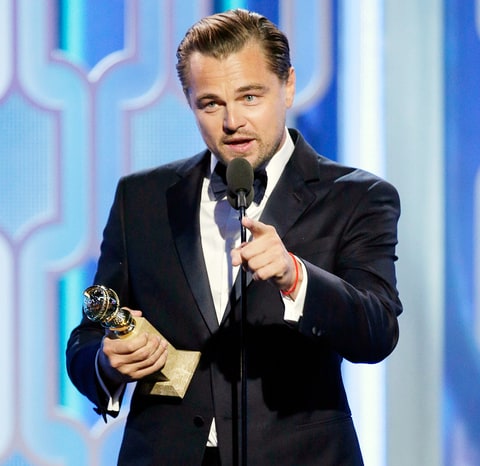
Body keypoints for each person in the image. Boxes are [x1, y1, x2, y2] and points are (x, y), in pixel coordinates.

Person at [66, 8, 402, 466]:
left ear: (288, 87)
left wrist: (295, 276)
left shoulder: (358, 198)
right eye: (211, 103)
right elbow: (86, 341)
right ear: (190, 103)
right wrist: (109, 361)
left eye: (249, 96)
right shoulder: (141, 198)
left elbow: (377, 331)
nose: (232, 121)